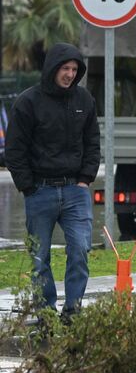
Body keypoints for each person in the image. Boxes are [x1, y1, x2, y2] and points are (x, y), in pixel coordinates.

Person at [6, 44, 100, 321]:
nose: (70, 74)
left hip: (76, 190)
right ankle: (46, 313)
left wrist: (85, 179)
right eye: (65, 69)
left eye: (74, 69)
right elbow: (14, 149)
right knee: (39, 258)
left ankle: (73, 311)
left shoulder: (85, 100)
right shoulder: (28, 102)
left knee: (81, 249)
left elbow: (93, 142)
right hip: (40, 191)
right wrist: (27, 186)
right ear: (52, 69)